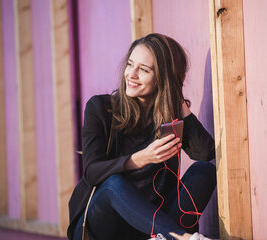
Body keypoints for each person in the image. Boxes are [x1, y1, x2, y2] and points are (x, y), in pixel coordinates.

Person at [67, 33, 217, 240]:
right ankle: (182, 238)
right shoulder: (100, 108)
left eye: (144, 70)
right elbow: (93, 172)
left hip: (152, 227)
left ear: (163, 78)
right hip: (104, 226)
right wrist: (141, 158)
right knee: (113, 183)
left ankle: (168, 236)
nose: (131, 74)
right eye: (130, 65)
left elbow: (204, 153)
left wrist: (176, 97)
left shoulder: (168, 116)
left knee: (204, 170)